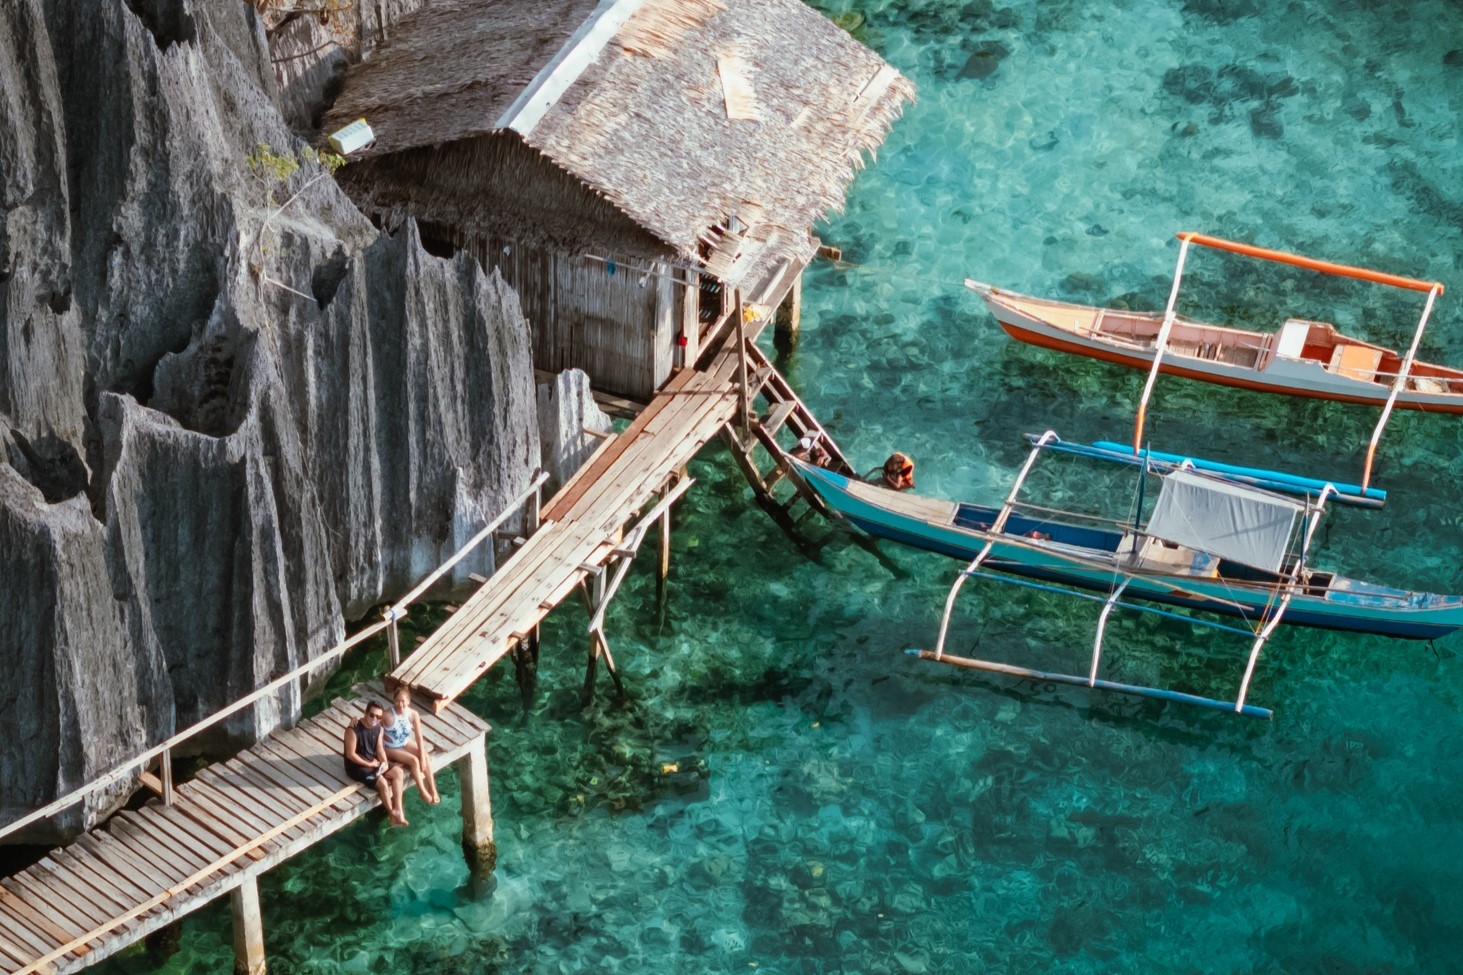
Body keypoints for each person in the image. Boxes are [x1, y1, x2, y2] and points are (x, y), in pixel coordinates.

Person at [342, 700, 408, 826]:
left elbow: (379, 748)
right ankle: (391, 813)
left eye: (378, 717)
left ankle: (398, 809)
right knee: (382, 783)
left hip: (372, 761)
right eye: (372, 715)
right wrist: (369, 765)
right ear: (365, 713)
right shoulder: (353, 730)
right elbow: (350, 755)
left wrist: (384, 762)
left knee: (398, 772)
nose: (374, 719)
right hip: (356, 767)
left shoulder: (378, 728)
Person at [383, 686, 439, 805]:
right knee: (414, 760)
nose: (400, 704)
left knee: (424, 754)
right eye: (397, 701)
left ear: (409, 701)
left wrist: (423, 758)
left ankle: (432, 788)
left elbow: (419, 736)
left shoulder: (413, 714)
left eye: (403, 701)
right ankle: (422, 791)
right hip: (390, 747)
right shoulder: (387, 715)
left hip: (404, 742)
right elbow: (373, 725)